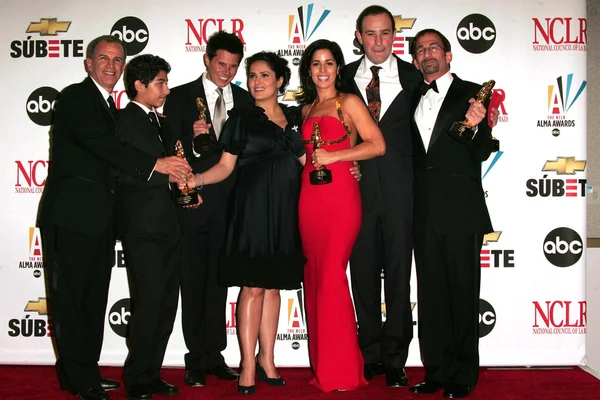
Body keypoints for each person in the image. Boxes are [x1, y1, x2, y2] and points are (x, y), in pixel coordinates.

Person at [38, 35, 191, 400]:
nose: (111, 65)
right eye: (104, 58)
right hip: (71, 216)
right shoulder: (76, 97)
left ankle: (82, 373)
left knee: (91, 301)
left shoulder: (109, 106)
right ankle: (80, 379)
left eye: (118, 59)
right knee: (73, 301)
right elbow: (105, 147)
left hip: (100, 220)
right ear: (88, 63)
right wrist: (155, 165)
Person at [187, 51, 306, 394]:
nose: (256, 82)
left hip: (286, 211)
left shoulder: (295, 118)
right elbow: (225, 167)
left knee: (274, 287)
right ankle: (248, 363)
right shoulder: (240, 117)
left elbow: (308, 161)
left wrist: (349, 169)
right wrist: (196, 180)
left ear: (280, 80)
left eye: (264, 75)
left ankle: (268, 358)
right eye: (252, 76)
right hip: (251, 210)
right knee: (252, 287)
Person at [163, 30, 253, 387]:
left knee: (220, 281)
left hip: (232, 204)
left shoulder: (245, 101)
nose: (226, 72)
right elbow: (171, 149)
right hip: (194, 201)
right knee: (194, 280)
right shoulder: (181, 97)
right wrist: (191, 148)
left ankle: (215, 354)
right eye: (221, 64)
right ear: (207, 59)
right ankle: (195, 358)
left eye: (233, 66)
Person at [408, 29, 495, 399]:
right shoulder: (410, 95)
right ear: (415, 61)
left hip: (460, 211)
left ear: (448, 54)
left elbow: (483, 151)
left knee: (462, 294)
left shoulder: (472, 94)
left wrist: (476, 126)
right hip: (422, 210)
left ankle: (463, 374)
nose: (427, 54)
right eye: (420, 50)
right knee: (431, 297)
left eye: (434, 47)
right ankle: (437, 371)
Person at [296, 39, 386, 392]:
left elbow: (376, 144)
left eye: (329, 63)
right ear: (308, 70)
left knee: (332, 276)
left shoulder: (348, 102)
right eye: (316, 63)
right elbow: (304, 158)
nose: (322, 70)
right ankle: (324, 365)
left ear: (338, 68)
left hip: (340, 200)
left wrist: (338, 158)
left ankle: (343, 370)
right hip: (308, 200)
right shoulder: (304, 110)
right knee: (315, 279)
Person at [340, 5, 422, 387]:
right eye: (370, 34)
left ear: (395, 35)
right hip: (354, 190)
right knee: (363, 275)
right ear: (359, 37)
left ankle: (395, 358)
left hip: (403, 192)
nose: (378, 41)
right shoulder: (339, 78)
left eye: (385, 33)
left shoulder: (414, 76)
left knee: (400, 277)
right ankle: (369, 354)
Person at [114, 54, 185, 400]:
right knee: (149, 301)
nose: (166, 89)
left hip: (170, 222)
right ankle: (137, 376)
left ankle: (153, 371)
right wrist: (159, 168)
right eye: (160, 82)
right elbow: (118, 171)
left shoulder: (163, 122)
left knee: (167, 301)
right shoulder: (123, 120)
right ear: (139, 86)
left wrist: (184, 187)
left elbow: (170, 168)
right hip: (141, 225)